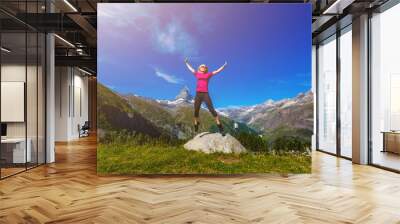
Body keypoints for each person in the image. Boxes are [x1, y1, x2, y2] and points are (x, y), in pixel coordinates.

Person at [184, 58, 227, 134]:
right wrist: (186, 62)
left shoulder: (208, 74)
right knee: (196, 110)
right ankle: (196, 123)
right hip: (198, 94)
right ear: (199, 68)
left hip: (205, 94)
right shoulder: (197, 74)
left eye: (205, 67)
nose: (203, 67)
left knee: (211, 109)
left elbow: (217, 71)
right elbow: (191, 69)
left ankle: (220, 126)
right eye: (202, 66)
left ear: (206, 69)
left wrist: (223, 66)